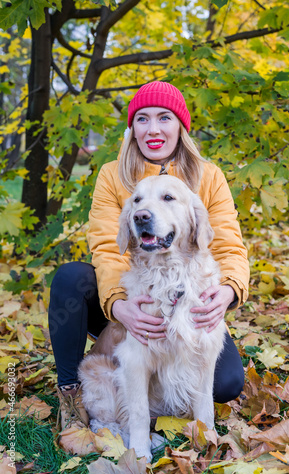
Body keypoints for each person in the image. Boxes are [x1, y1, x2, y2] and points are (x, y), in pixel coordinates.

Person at [48, 81, 250, 432]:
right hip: (134, 293)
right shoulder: (113, 175)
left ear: (180, 126)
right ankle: (71, 393)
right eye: (142, 119)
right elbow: (109, 249)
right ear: (132, 129)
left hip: (187, 298)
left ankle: (157, 390)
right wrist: (119, 307)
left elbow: (230, 245)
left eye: (163, 118)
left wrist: (230, 289)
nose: (152, 129)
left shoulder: (209, 176)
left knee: (228, 384)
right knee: (70, 277)